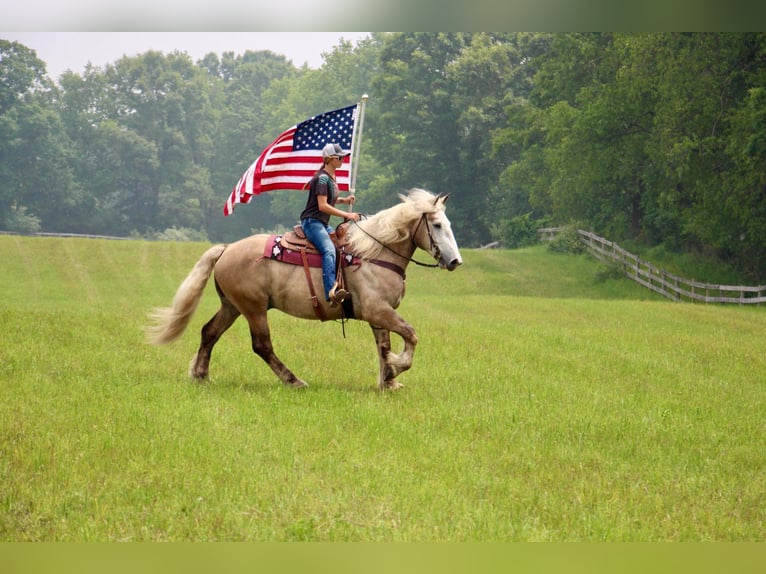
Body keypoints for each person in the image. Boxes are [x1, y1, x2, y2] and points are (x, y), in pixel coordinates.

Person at [300, 142, 361, 305]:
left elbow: (329, 199)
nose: (343, 159)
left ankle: (342, 283)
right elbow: (323, 205)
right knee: (329, 250)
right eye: (339, 157)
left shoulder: (330, 178)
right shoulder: (322, 179)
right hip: (313, 222)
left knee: (341, 247)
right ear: (329, 159)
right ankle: (331, 291)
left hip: (322, 223)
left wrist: (343, 200)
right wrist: (347, 214)